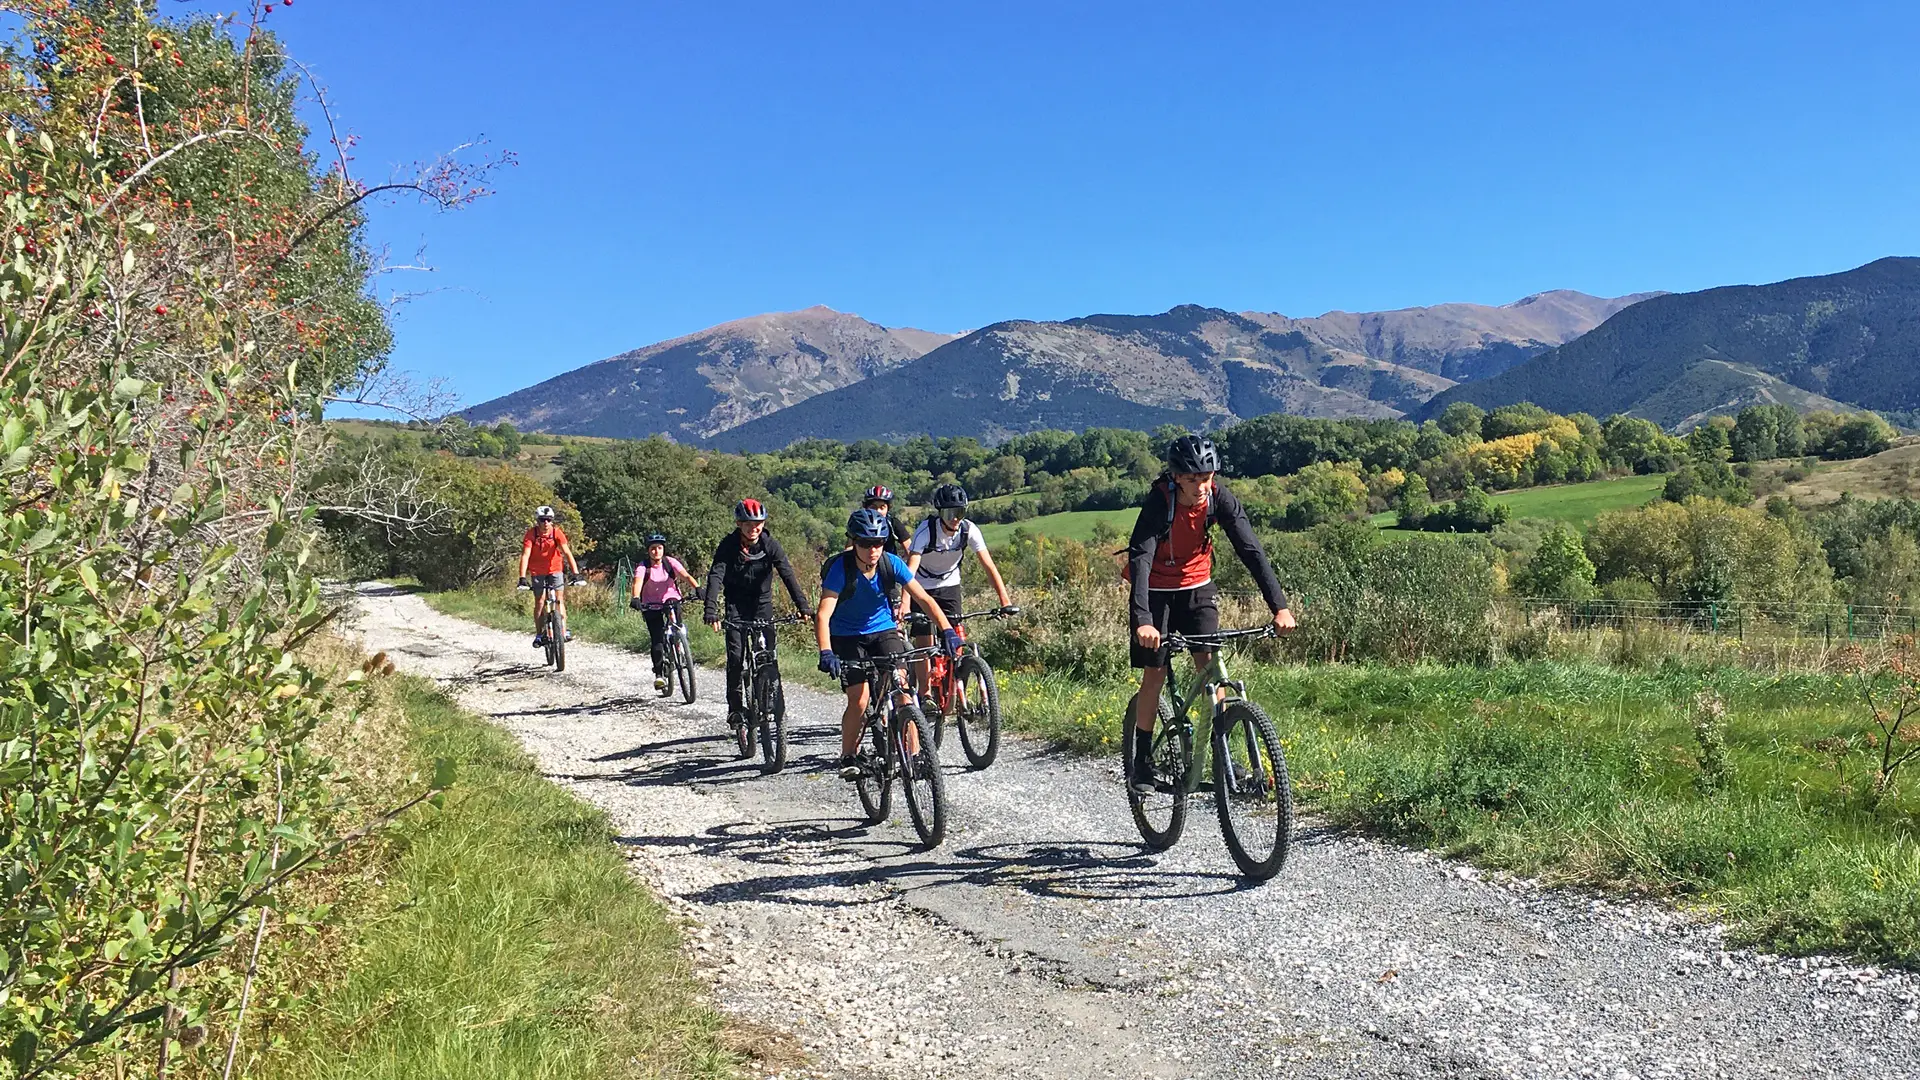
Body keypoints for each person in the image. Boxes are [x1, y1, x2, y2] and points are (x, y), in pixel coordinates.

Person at [1126, 434, 1296, 793]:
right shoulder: (1160, 503)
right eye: (1192, 480)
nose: (1201, 486)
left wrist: (1279, 607)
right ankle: (1141, 762)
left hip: (1197, 587)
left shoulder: (1219, 497)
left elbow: (1251, 550)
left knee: (1211, 672)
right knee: (1154, 675)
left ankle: (1220, 756)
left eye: (1206, 477)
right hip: (1156, 592)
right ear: (1175, 478)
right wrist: (1143, 619)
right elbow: (1139, 560)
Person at [817, 508, 962, 779]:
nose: (873, 550)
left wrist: (947, 630)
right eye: (865, 543)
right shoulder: (841, 569)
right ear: (854, 541)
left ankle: (916, 756)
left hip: (883, 631)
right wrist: (826, 651)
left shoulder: (891, 563)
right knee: (859, 700)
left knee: (904, 691)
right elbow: (824, 614)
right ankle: (848, 756)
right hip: (847, 636)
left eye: (879, 543)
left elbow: (925, 600)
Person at [704, 499, 812, 729]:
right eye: (749, 524)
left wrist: (803, 606)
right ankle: (735, 709)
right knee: (735, 658)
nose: (754, 528)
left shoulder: (770, 544)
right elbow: (715, 576)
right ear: (739, 524)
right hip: (736, 607)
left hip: (762, 604)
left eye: (759, 523)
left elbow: (787, 574)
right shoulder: (728, 545)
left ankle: (769, 693)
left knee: (768, 653)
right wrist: (711, 610)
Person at [903, 483, 1015, 695]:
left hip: (949, 584)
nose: (955, 518)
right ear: (940, 513)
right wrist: (906, 604)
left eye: (960, 512)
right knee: (924, 640)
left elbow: (988, 566)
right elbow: (909, 570)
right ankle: (925, 692)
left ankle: (956, 681)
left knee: (955, 636)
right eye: (950, 513)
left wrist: (1004, 600)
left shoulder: (969, 530)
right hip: (922, 585)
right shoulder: (925, 531)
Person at [629, 532, 700, 693]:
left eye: (659, 548)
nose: (656, 552)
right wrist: (635, 597)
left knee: (678, 625)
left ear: (663, 549)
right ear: (648, 551)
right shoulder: (643, 567)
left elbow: (685, 575)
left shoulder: (670, 562)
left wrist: (697, 588)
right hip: (651, 604)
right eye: (653, 549)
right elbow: (637, 582)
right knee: (657, 639)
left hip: (671, 599)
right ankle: (659, 673)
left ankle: (681, 646)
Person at [517, 505, 583, 648]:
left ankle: (563, 630)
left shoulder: (557, 533)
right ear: (537, 521)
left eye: (548, 520)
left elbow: (567, 552)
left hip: (555, 569)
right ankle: (540, 634)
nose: (545, 523)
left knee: (559, 600)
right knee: (540, 602)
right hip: (537, 571)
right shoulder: (531, 534)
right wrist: (522, 577)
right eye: (542, 520)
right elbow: (525, 555)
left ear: (552, 520)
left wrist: (576, 573)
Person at [860, 484, 913, 558]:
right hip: (863, 563)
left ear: (888, 508)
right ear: (866, 507)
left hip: (888, 564)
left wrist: (909, 569)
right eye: (873, 507)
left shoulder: (893, 523)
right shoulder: (859, 523)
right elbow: (849, 548)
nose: (878, 511)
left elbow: (909, 550)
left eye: (882, 507)